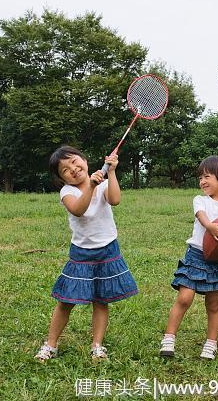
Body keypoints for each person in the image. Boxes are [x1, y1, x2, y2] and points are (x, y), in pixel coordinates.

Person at [35, 146, 138, 362]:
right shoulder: (67, 192)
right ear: (61, 179)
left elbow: (115, 200)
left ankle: (97, 346)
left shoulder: (103, 181)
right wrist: (91, 185)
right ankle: (50, 345)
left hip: (108, 250)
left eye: (74, 161)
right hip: (81, 253)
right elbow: (78, 209)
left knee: (101, 300)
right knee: (66, 301)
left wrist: (111, 172)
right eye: (65, 170)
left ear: (84, 159)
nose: (72, 169)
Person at [159, 156, 218, 360]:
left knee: (213, 304)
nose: (202, 181)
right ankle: (169, 338)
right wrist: (210, 226)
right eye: (200, 177)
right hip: (196, 256)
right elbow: (201, 216)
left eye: (206, 176)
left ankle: (211, 343)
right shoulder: (200, 200)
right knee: (184, 297)